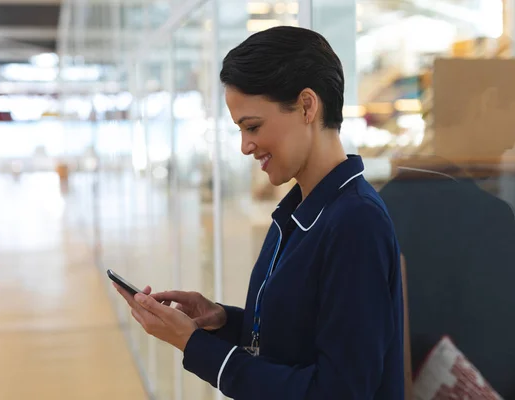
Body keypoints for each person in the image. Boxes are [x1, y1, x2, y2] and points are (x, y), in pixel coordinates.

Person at [114, 26, 405, 399]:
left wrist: (196, 347)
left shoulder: (355, 223)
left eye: (252, 126)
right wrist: (221, 321)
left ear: (306, 106)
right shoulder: (299, 213)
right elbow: (296, 342)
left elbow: (340, 391)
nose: (245, 146)